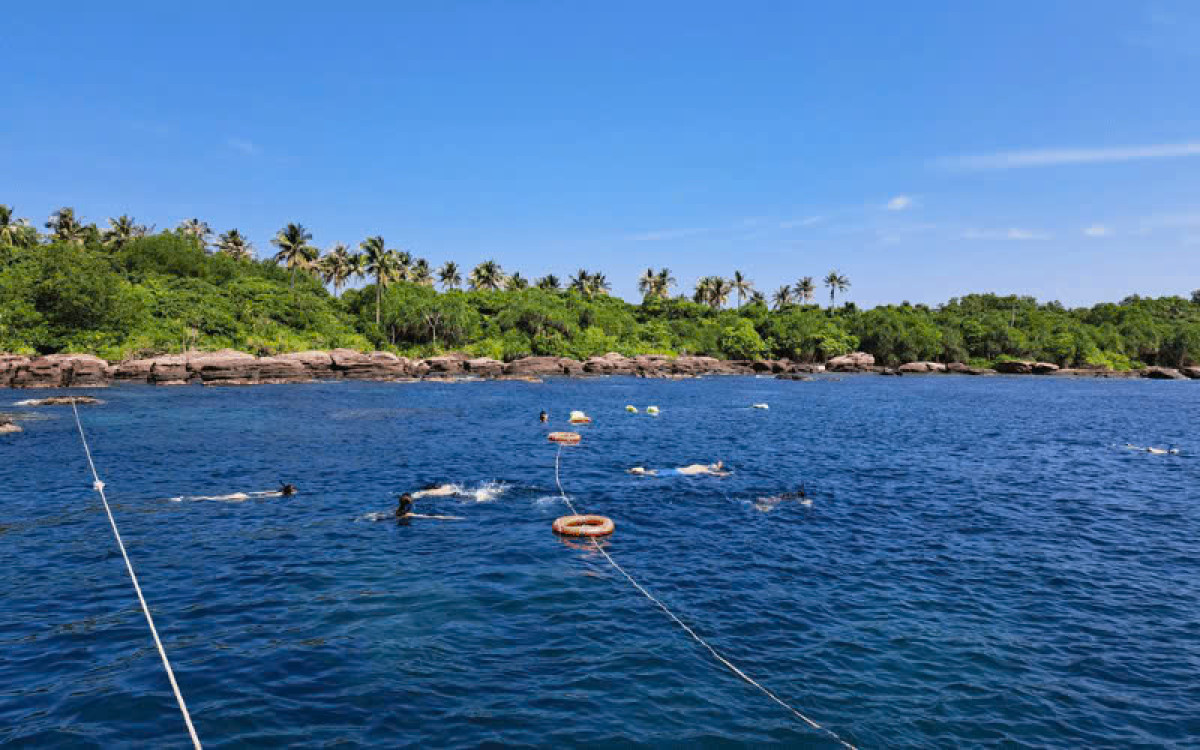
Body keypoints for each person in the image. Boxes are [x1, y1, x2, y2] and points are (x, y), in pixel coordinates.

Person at [629, 461, 729, 477]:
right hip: (678, 473)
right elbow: (713, 473)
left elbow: (714, 471)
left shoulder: (698, 466)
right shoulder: (703, 469)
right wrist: (723, 474)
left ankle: (638, 471)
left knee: (655, 471)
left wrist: (719, 469)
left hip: (677, 470)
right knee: (656, 474)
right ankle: (639, 472)